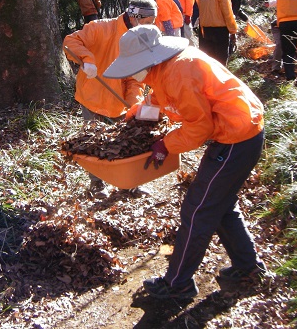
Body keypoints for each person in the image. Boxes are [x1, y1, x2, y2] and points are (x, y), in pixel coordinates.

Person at [103, 24, 265, 300]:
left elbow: (199, 128)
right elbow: (160, 98)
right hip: (237, 131)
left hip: (237, 136)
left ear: (149, 59)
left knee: (198, 209)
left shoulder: (181, 72)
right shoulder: (165, 69)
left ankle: (178, 284)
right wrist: (136, 113)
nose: (134, 74)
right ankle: (248, 267)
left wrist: (165, 144)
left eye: (133, 67)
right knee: (220, 205)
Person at [63, 0, 157, 198]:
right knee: (93, 142)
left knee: (128, 141)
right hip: (92, 96)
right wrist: (87, 60)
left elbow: (136, 79)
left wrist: (134, 104)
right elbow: (70, 41)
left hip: (118, 102)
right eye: (148, 22)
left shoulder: (141, 39)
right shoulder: (100, 28)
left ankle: (129, 182)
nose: (150, 27)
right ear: (135, 17)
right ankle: (97, 184)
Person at [194, 0, 238, 65]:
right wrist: (233, 31)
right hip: (220, 31)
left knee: (209, 61)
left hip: (205, 31)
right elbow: (228, 14)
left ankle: (208, 79)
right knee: (221, 61)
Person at [266, 0, 291, 73]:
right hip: (278, 25)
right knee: (280, 44)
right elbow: (277, 2)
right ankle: (276, 67)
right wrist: (270, 3)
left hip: (291, 23)